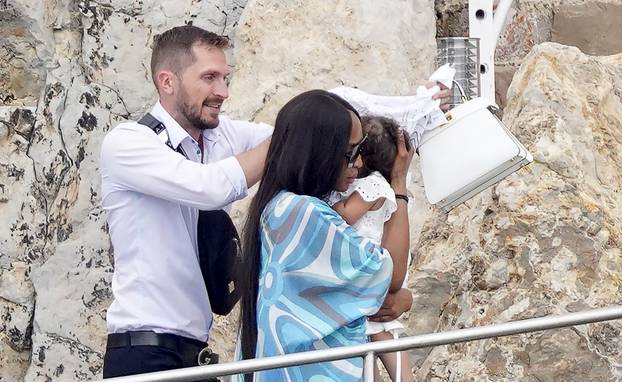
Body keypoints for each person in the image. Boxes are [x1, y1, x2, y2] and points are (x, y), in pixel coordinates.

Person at [99, 26, 273, 378]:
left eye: (225, 78)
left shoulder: (220, 135)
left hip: (196, 353)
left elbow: (308, 135)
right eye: (209, 77)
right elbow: (209, 188)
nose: (222, 92)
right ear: (167, 82)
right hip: (142, 355)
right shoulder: (128, 142)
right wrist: (287, 141)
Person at [237, 90, 414, 382]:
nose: (358, 165)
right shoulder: (302, 212)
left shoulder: (277, 207)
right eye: (351, 153)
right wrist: (398, 185)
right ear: (319, 152)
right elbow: (388, 275)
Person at [332, 116, 414, 382]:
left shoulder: (371, 186)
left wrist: (321, 209)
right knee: (386, 339)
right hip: (374, 285)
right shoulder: (387, 188)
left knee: (377, 339)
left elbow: (343, 216)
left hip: (370, 280)